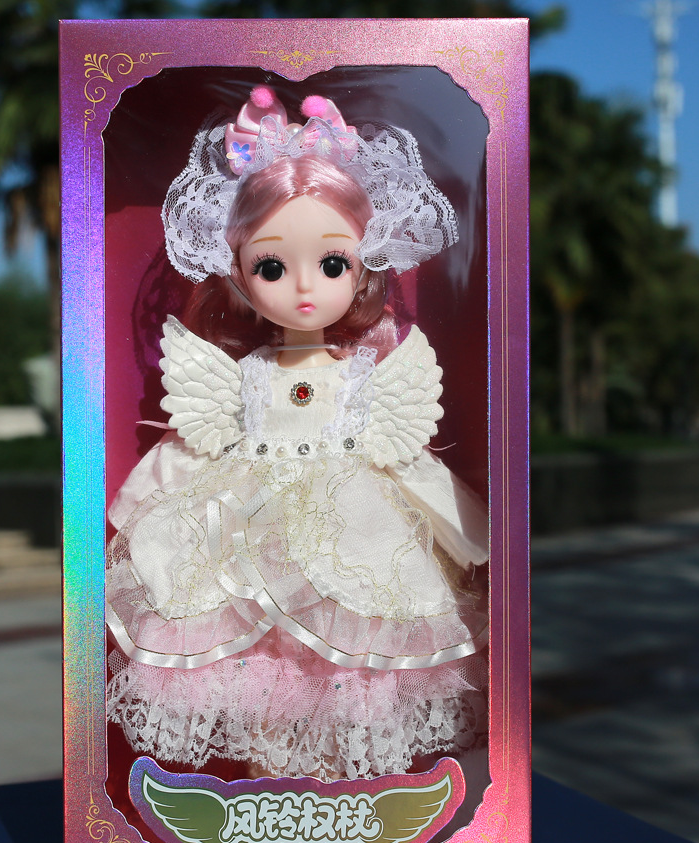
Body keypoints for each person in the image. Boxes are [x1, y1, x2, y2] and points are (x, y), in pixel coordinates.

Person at [106, 86, 488, 782]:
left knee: (352, 661)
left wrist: (467, 530)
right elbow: (190, 450)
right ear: (239, 272)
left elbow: (403, 460)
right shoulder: (245, 372)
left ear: (362, 266)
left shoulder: (365, 373)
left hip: (354, 531)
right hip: (245, 527)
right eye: (272, 267)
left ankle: (338, 796)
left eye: (333, 263)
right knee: (257, 662)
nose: (304, 288)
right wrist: (137, 513)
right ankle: (271, 790)